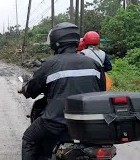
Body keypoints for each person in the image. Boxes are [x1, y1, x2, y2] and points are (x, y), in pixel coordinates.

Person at [19, 22, 106, 160]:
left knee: (29, 138)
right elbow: (102, 89)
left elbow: (32, 89)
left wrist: (24, 88)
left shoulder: (50, 64)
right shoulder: (93, 63)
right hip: (88, 122)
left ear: (55, 41)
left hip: (56, 121)